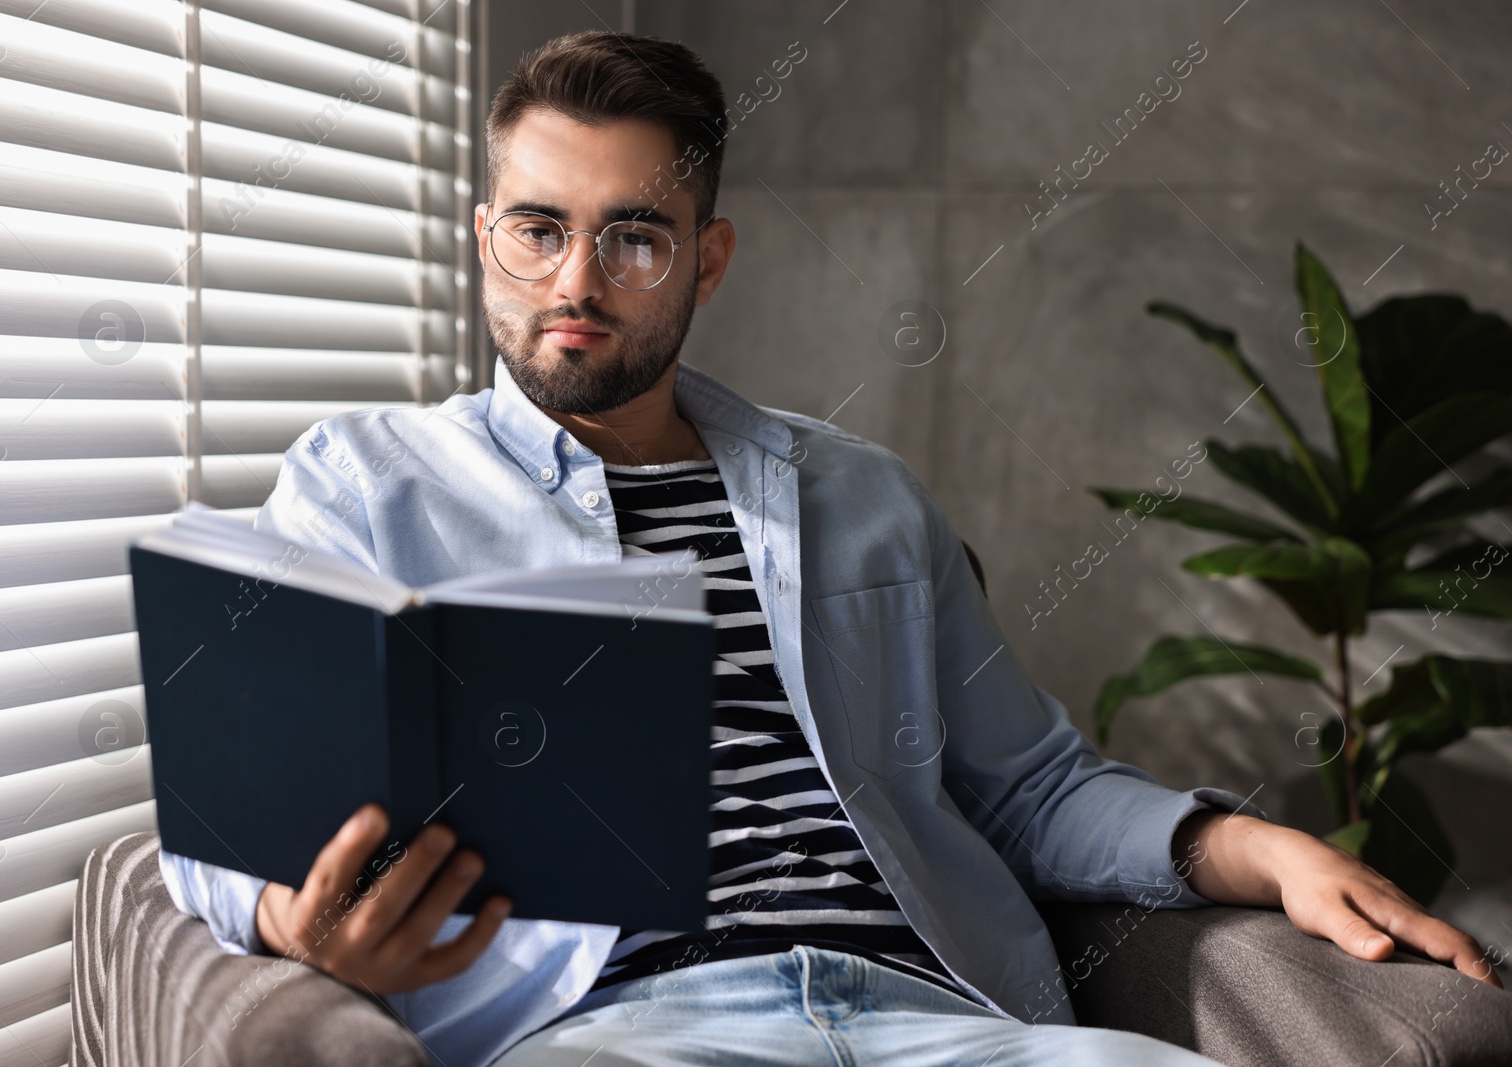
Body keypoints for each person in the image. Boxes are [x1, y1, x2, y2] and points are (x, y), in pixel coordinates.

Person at [159, 29, 1501, 1067]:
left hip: (945, 1018)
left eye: (633, 237)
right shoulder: (365, 486)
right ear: (486, 239)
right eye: (539, 229)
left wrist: (1267, 853)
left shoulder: (862, 494)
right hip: (623, 1031)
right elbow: (238, 807)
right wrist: (287, 919)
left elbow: (1030, 789)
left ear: (707, 259)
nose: (575, 282)